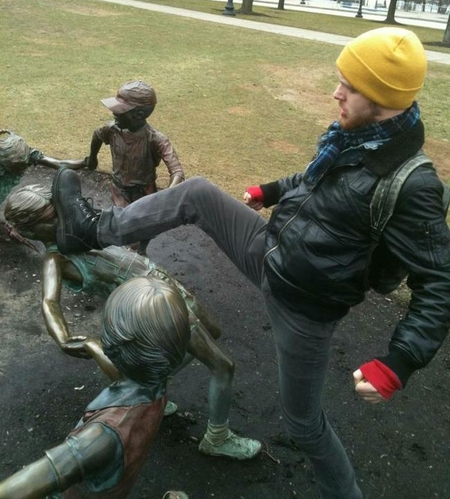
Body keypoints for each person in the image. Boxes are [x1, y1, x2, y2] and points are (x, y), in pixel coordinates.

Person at [51, 27, 450, 499]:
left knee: (304, 425)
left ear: (382, 97)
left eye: (349, 86)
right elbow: (315, 179)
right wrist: (272, 190)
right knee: (197, 193)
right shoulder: (356, 136)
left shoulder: (414, 185)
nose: (335, 93)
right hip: (270, 250)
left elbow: (439, 283)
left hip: (304, 307)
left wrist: (398, 362)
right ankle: (90, 228)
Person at [3, 184, 261, 460]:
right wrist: (64, 338)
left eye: (58, 212)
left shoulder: (82, 231)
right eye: (50, 219)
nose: (60, 220)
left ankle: (152, 385)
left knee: (213, 330)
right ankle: (216, 437)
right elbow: (49, 302)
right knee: (223, 365)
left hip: (164, 285)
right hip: (155, 305)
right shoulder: (57, 260)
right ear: (31, 231)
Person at [0, 276, 191, 499]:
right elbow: (126, 373)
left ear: (113, 344)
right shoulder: (156, 381)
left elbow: (21, 487)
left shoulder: (102, 436)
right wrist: (91, 345)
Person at [86, 80, 185, 208]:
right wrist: (92, 158)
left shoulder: (155, 139)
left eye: (121, 110)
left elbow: (177, 172)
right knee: (122, 217)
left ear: (139, 114)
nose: (114, 113)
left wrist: (167, 195)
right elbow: (97, 135)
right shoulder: (112, 130)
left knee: (144, 218)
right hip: (119, 191)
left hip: (145, 194)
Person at [0, 129, 86, 204]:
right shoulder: (8, 155)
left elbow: (59, 163)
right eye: (14, 165)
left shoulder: (22, 154)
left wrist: (85, 162)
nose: (20, 170)